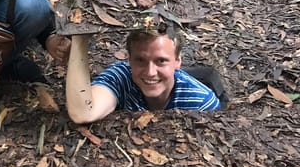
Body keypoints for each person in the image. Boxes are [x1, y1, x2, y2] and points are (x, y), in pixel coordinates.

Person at [65, 11, 221, 124]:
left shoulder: (201, 102)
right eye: (140, 60)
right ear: (129, 59)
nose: (150, 72)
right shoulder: (120, 78)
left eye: (161, 61)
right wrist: (78, 38)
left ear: (177, 61)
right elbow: (83, 113)